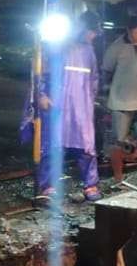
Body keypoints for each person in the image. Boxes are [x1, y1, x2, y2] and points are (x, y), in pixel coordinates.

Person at [35, 12, 102, 205]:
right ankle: (48, 185)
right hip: (58, 105)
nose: (93, 37)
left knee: (86, 147)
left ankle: (90, 184)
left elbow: (94, 79)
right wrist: (42, 95)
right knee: (53, 145)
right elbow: (42, 73)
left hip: (82, 107)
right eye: (91, 33)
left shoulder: (89, 51)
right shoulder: (58, 47)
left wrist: (90, 100)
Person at [102, 15, 137, 185]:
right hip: (120, 102)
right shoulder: (116, 47)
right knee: (118, 141)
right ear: (129, 31)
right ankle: (118, 178)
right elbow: (106, 71)